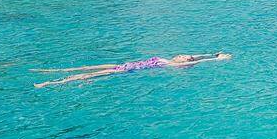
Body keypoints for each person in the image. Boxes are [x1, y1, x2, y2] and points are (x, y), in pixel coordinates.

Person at [32, 52, 232, 88]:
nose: (185, 56)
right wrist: (213, 54)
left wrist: (215, 60)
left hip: (125, 70)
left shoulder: (173, 64)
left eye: (186, 58)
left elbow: (197, 61)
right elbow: (198, 56)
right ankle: (48, 72)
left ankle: (50, 83)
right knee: (86, 67)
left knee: (87, 75)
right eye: (185, 55)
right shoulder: (168, 58)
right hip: (126, 65)